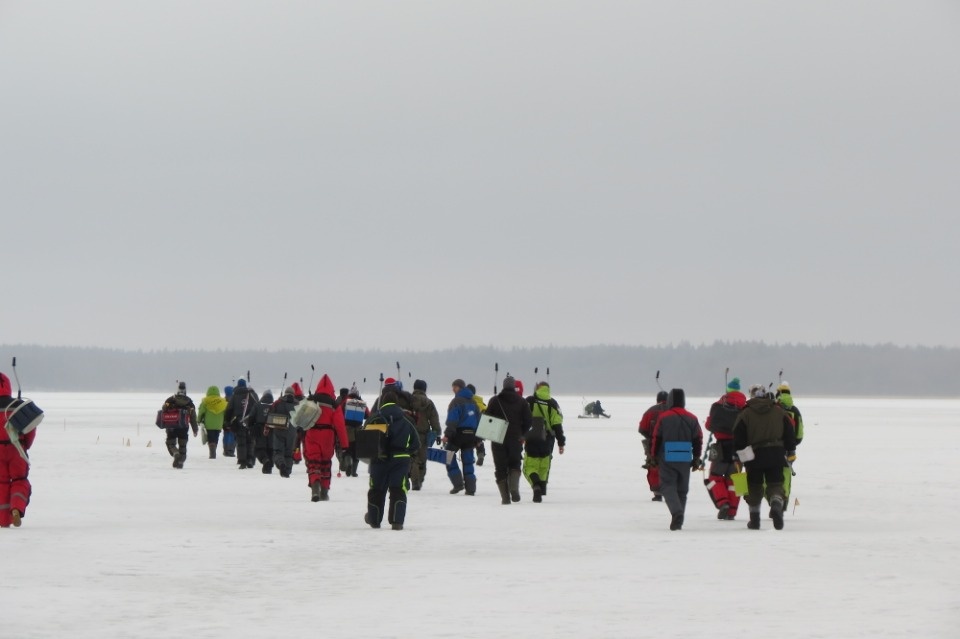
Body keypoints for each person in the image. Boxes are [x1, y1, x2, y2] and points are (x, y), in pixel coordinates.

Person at [733, 384, 798, 530]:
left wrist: (739, 455)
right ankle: (776, 504)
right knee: (775, 484)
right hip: (776, 453)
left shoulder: (745, 413)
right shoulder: (779, 411)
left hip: (753, 456)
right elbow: (789, 432)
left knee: (754, 487)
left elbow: (738, 438)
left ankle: (754, 520)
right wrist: (790, 450)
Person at [364, 390, 420, 531]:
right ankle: (397, 522)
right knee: (398, 489)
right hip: (400, 460)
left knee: (376, 489)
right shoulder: (406, 420)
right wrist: (406, 452)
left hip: (379, 459)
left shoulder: (374, 418)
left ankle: (374, 519)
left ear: (382, 402)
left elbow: (364, 439)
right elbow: (416, 444)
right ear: (397, 402)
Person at [650, 388, 703, 531]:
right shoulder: (692, 418)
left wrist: (653, 455)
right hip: (685, 456)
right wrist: (697, 456)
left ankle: (676, 512)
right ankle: (679, 518)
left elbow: (657, 438)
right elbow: (698, 438)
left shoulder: (664, 417)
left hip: (668, 455)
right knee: (682, 489)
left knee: (667, 486)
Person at [483, 376, 532, 504]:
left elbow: (488, 418)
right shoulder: (522, 401)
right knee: (515, 464)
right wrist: (522, 433)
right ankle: (514, 488)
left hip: (498, 436)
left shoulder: (495, 400)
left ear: (504, 386)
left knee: (500, 468)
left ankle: (505, 497)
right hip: (515, 437)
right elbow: (528, 421)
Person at [703, 377, 747, 520]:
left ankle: (723, 503)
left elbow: (709, 425)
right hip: (741, 449)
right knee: (737, 479)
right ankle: (732, 512)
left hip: (721, 446)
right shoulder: (745, 407)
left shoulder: (718, 405)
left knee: (714, 477)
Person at [302, 374, 349, 502]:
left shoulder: (311, 400)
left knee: (314, 462)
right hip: (328, 436)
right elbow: (340, 427)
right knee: (325, 463)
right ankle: (324, 491)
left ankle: (315, 485)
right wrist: (345, 445)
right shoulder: (334, 404)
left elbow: (302, 420)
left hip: (312, 433)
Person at [0, 372, 37, 527]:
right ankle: (16, 508)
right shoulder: (17, 406)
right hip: (16, 449)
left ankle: (3, 520)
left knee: (1, 483)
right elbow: (30, 429)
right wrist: (25, 445)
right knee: (19, 480)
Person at [523, 381, 566, 502]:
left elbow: (522, 418)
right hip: (548, 440)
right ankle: (542, 489)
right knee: (543, 465)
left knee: (529, 466)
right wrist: (561, 442)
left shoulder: (530, 401)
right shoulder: (553, 404)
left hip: (532, 438)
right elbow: (557, 424)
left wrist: (520, 435)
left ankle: (536, 486)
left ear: (537, 388)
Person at [443, 379, 481, 495]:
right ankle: (471, 489)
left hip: (457, 435)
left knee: (448, 457)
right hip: (471, 436)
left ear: (460, 387)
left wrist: (447, 435)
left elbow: (453, 420)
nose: (453, 389)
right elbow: (479, 421)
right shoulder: (473, 402)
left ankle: (458, 484)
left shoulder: (456, 402)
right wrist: (478, 438)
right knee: (468, 462)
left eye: (454, 387)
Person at [408, 379, 442, 491]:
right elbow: (434, 419)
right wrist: (437, 433)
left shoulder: (408, 400)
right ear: (424, 389)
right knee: (422, 458)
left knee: (413, 458)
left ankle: (414, 480)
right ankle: (419, 480)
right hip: (423, 434)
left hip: (409, 432)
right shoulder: (428, 403)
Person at [637, 390, 669, 501]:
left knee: (654, 467)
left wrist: (651, 437)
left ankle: (657, 493)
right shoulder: (676, 410)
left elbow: (642, 429)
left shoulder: (650, 411)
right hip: (675, 444)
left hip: (655, 445)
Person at [776, 382, 804, 505]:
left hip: (774, 446)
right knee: (786, 475)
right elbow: (800, 432)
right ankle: (784, 499)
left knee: (772, 475)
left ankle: (774, 499)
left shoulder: (774, 408)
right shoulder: (795, 410)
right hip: (789, 449)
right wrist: (793, 444)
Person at [160, 382, 199, 469]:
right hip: (184, 427)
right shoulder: (189, 402)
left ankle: (175, 454)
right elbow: (193, 417)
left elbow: (163, 409)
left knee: (171, 444)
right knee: (183, 446)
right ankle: (180, 462)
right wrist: (195, 429)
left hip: (171, 426)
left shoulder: (170, 400)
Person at [224, 378, 259, 469]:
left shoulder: (234, 395)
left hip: (239, 421)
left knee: (241, 442)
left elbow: (229, 409)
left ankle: (243, 461)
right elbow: (258, 406)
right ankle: (250, 459)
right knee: (250, 441)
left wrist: (227, 421)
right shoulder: (252, 394)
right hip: (251, 421)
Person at [266, 387, 299, 478]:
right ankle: (287, 470)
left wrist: (267, 428)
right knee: (289, 453)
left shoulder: (278, 402)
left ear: (285, 393)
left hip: (279, 429)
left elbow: (270, 415)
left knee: (278, 451)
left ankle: (281, 464)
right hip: (292, 431)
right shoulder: (298, 404)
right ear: (293, 394)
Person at [339, 385, 369, 478]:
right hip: (359, 430)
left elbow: (339, 413)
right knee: (356, 451)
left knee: (348, 449)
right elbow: (367, 415)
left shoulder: (345, 402)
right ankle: (354, 472)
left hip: (347, 429)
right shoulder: (361, 403)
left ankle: (348, 464)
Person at [197, 386, 228, 459]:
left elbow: (201, 411)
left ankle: (212, 452)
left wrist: (198, 420)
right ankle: (213, 450)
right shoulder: (223, 401)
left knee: (210, 437)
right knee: (216, 437)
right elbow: (226, 413)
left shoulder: (205, 401)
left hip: (209, 423)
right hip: (219, 423)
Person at [253, 390, 275, 473]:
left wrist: (251, 426)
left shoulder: (257, 405)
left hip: (260, 430)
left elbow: (251, 417)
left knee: (259, 449)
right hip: (272, 430)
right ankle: (269, 467)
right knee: (271, 449)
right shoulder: (274, 405)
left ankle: (265, 460)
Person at [467, 384, 487, 466]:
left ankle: (470, 458)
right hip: (481, 429)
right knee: (479, 442)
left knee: (467, 443)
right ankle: (481, 455)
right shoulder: (481, 403)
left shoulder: (466, 402)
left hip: (469, 429)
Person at [222, 384, 237, 457]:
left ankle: (225, 450)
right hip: (233, 421)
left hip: (225, 422)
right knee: (232, 436)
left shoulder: (223, 401)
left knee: (226, 435)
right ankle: (231, 450)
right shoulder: (234, 400)